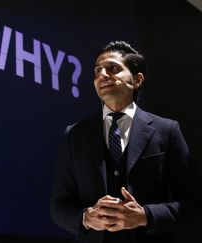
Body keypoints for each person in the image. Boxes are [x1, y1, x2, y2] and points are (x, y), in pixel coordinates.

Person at [50, 40, 201, 243]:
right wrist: (87, 218)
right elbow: (59, 206)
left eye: (113, 68)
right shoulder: (75, 134)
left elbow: (194, 205)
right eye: (97, 71)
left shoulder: (167, 130)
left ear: (137, 80)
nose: (102, 75)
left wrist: (145, 216)